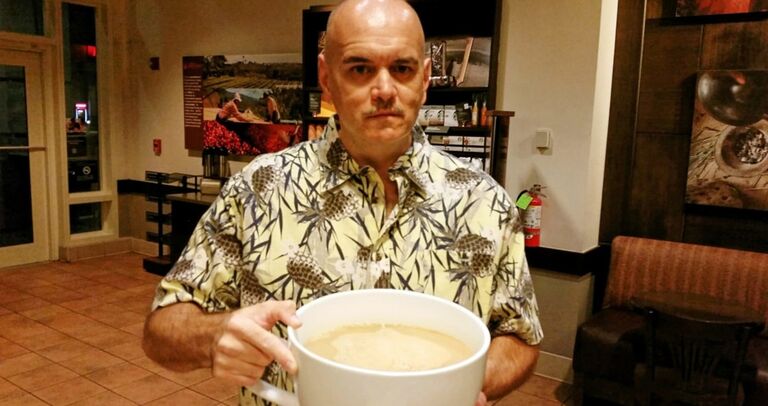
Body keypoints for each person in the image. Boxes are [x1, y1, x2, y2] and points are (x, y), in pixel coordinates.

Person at [142, 1, 543, 405]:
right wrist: (214, 335)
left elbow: (520, 334)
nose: (384, 90)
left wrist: (467, 387)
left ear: (424, 79)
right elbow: (162, 329)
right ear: (326, 78)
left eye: (402, 69)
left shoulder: (485, 202)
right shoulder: (257, 190)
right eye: (360, 69)